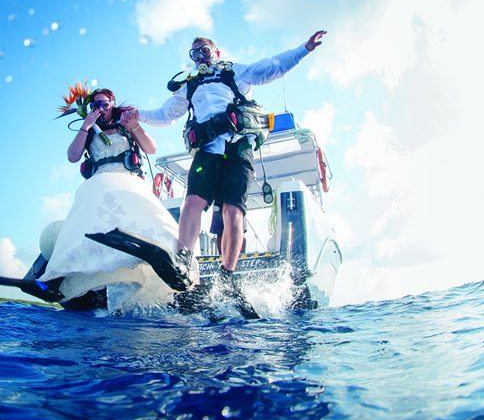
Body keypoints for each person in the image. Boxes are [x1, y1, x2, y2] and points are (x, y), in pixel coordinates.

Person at [123, 31, 326, 298]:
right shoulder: (190, 86)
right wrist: (138, 115)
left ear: (216, 53)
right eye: (194, 54)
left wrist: (304, 49)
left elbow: (272, 67)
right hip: (207, 150)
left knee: (232, 212)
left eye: (204, 51)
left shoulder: (235, 73)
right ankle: (183, 259)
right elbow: (165, 115)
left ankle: (227, 275)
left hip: (237, 146)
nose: (199, 57)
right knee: (193, 202)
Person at [39, 88, 197, 312]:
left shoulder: (125, 125)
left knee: (150, 218)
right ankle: (75, 277)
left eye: (104, 104)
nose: (100, 109)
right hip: (99, 181)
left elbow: (151, 148)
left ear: (112, 103)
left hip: (128, 179)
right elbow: (72, 156)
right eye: (95, 106)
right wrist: (86, 126)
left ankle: (171, 263)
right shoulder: (89, 131)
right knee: (91, 205)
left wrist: (134, 126)